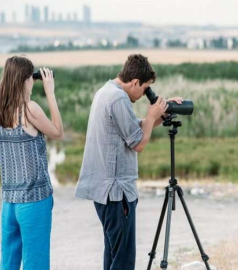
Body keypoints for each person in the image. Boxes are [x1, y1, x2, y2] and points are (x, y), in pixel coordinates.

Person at [75, 54, 183, 270]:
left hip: (105, 192)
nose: (145, 94)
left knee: (114, 257)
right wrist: (151, 117)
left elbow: (134, 127)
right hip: (117, 193)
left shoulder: (106, 91)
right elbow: (138, 143)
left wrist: (161, 113)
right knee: (123, 261)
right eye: (145, 89)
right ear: (135, 82)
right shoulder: (118, 99)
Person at [0, 56, 64, 270]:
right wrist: (50, 93)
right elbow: (58, 132)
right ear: (24, 80)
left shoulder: (0, 109)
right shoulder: (29, 108)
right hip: (34, 199)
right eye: (31, 77)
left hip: (9, 203)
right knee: (36, 263)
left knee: (8, 263)